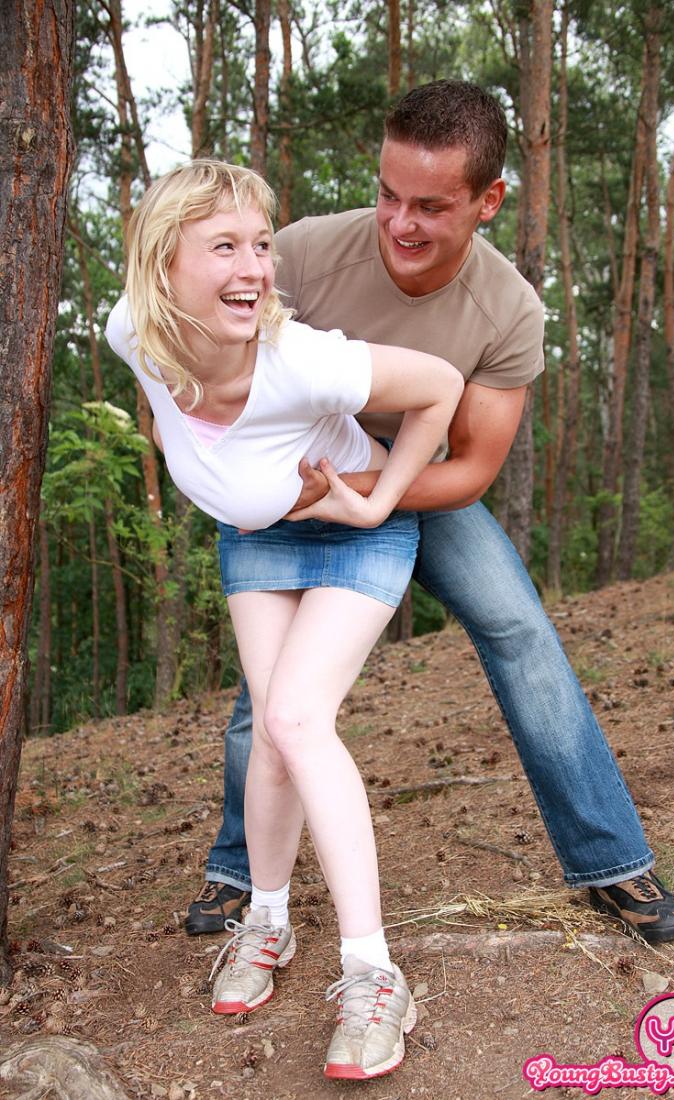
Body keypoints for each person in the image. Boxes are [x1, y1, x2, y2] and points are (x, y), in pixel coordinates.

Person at [186, 80, 674, 947]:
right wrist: (279, 486)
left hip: (415, 485)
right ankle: (240, 869)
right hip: (305, 475)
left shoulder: (510, 309)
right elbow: (217, 353)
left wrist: (365, 496)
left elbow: (473, 468)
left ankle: (610, 860)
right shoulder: (303, 255)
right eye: (388, 195)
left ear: (489, 200)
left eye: (430, 206)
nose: (400, 223)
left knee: (520, 628)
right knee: (271, 689)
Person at [106, 158, 463, 1080]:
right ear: (162, 263)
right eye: (224, 246)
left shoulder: (302, 360)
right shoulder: (130, 331)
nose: (255, 268)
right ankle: (266, 921)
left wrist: (377, 500)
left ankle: (374, 973)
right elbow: (173, 414)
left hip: (347, 533)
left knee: (300, 720)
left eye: (261, 245)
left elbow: (440, 385)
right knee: (270, 734)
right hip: (258, 540)